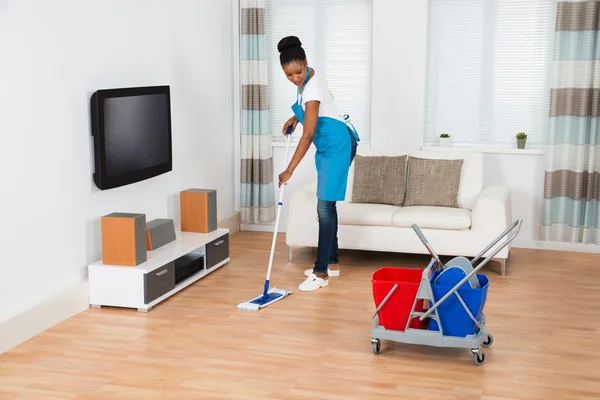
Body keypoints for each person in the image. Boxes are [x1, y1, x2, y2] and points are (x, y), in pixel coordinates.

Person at [276, 36, 359, 292]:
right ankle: (331, 264)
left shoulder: (311, 88)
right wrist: (295, 117)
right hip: (328, 146)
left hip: (337, 146)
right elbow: (320, 111)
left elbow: (309, 133)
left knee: (324, 208)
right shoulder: (308, 81)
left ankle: (320, 273)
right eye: (289, 75)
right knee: (327, 206)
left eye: (298, 72)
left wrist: (289, 169)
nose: (295, 78)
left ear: (306, 63)